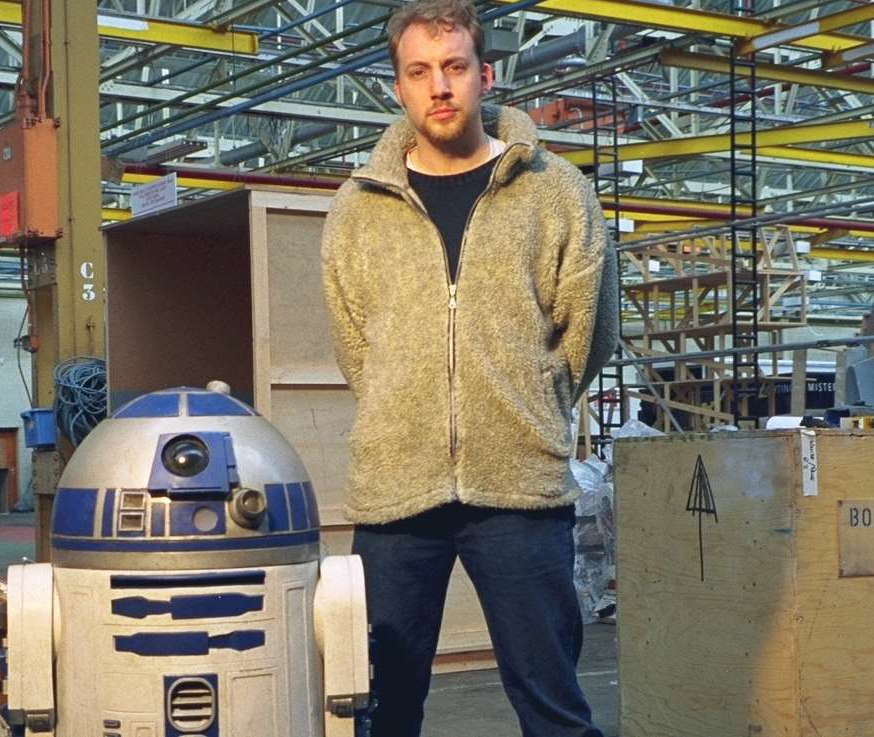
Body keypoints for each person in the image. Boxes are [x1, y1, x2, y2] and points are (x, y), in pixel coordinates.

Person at [320, 1, 618, 735]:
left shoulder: (555, 192)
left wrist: (530, 400)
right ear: (398, 88)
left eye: (453, 67)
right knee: (379, 710)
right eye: (418, 72)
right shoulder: (356, 209)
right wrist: (405, 403)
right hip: (397, 491)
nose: (439, 87)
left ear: (484, 75)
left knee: (553, 706)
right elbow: (356, 345)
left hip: (517, 485)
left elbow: (589, 332)